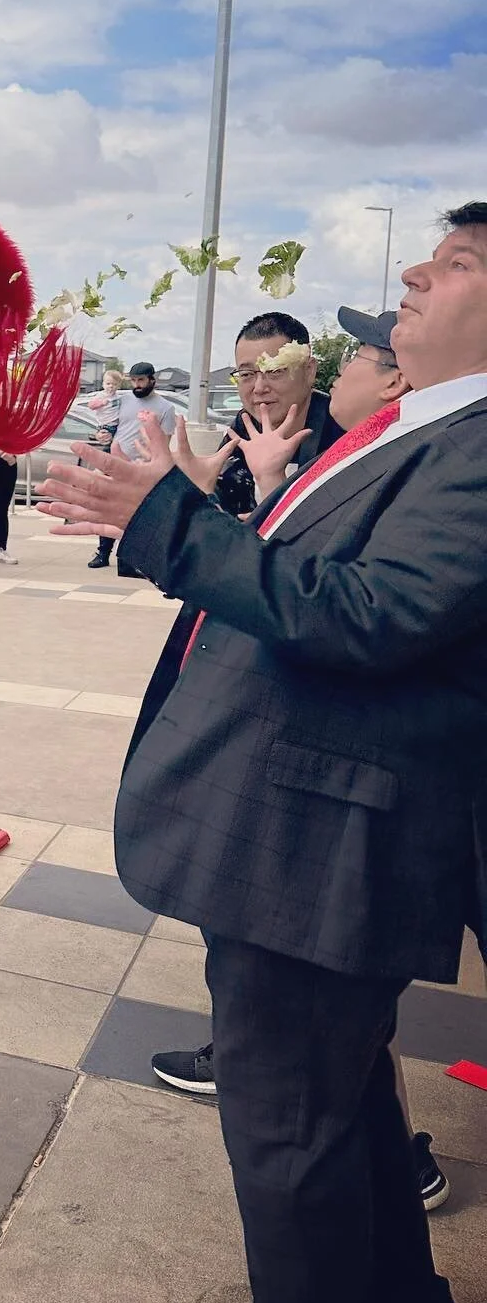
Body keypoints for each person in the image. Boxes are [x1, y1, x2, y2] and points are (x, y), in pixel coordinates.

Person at [38, 208, 487, 1303]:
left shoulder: (477, 445)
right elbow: (314, 576)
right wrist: (204, 511)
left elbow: (373, 615)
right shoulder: (428, 428)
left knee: (291, 1145)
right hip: (299, 830)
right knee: (342, 1121)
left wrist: (168, 524)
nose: (415, 272)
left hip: (324, 845)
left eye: (457, 263)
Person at [151, 307, 451, 1211]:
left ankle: (397, 1161)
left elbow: (328, 603)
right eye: (243, 369)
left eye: (273, 364)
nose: (255, 382)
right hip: (271, 749)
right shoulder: (290, 443)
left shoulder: (386, 449)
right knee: (285, 994)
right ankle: (251, 1055)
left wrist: (181, 516)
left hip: (319, 776)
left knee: (325, 1024)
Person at [215, 311, 340, 519]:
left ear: (309, 371)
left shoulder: (341, 430)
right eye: (246, 374)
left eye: (274, 371)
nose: (259, 388)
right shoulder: (244, 427)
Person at [87, 362, 176, 572]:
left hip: (143, 467)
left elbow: (164, 442)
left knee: (137, 513)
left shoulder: (165, 408)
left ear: (152, 380)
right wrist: (101, 435)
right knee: (109, 507)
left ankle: (131, 558)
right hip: (116, 462)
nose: (137, 385)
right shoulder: (123, 400)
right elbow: (108, 423)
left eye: (141, 380)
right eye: (134, 381)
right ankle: (103, 552)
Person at [84, 367, 124, 451]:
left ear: (118, 386)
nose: (111, 386)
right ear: (103, 384)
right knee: (107, 444)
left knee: (117, 445)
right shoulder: (101, 395)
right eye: (108, 383)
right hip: (106, 425)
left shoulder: (118, 397)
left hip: (116, 424)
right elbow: (91, 405)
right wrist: (101, 403)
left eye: (114, 384)